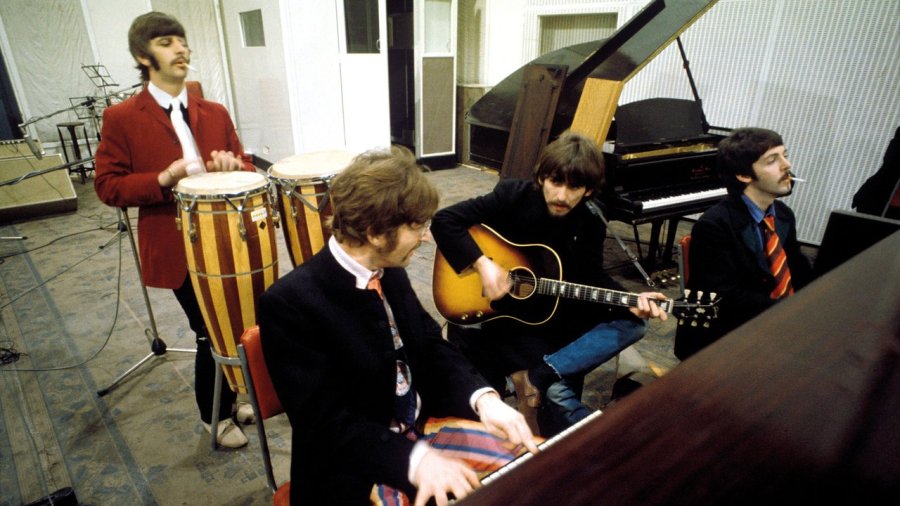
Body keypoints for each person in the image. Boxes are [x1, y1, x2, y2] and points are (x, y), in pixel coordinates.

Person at [257, 146, 538, 506]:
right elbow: (325, 423)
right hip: (353, 466)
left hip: (422, 430)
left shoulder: (389, 268)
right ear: (376, 232)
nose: (426, 237)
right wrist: (415, 461)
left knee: (534, 469)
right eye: (418, 227)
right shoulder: (289, 303)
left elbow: (430, 345)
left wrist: (483, 399)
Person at [430, 131, 668, 436]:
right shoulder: (513, 196)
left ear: (588, 190)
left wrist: (631, 299)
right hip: (511, 316)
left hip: (558, 309)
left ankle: (541, 376)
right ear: (542, 177)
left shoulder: (591, 217)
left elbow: (591, 274)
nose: (562, 196)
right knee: (556, 389)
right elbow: (444, 221)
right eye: (556, 182)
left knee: (635, 323)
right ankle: (564, 408)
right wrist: (482, 264)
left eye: (574, 187)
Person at [94, 12, 255, 448]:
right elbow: (107, 186)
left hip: (229, 237)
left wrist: (233, 166)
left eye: (181, 40)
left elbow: (244, 163)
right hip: (176, 244)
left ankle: (235, 396)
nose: (180, 48)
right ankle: (213, 416)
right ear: (143, 57)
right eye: (166, 42)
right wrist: (162, 178)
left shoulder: (214, 111)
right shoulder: (121, 117)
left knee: (238, 322)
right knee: (209, 329)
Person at [674, 127, 813, 360]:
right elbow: (727, 298)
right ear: (743, 175)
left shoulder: (783, 214)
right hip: (727, 333)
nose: (787, 165)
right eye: (772, 160)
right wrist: (790, 314)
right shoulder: (715, 225)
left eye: (785, 155)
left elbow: (796, 268)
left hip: (768, 319)